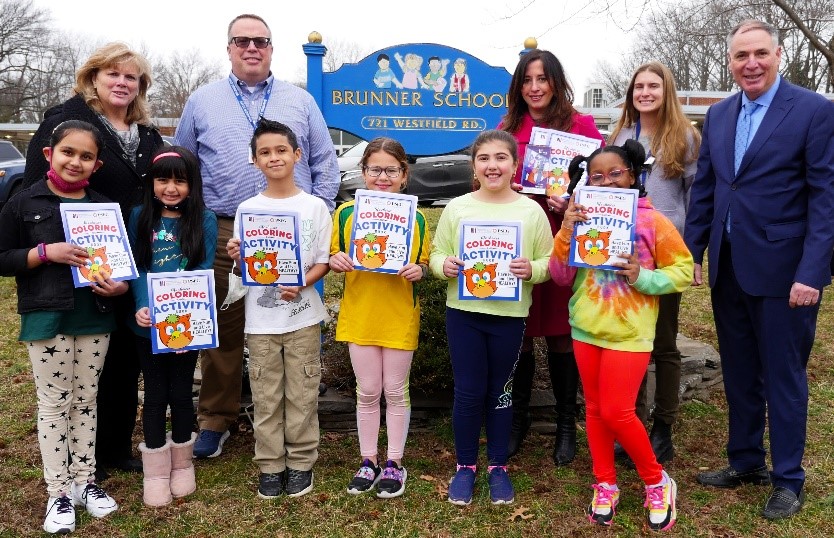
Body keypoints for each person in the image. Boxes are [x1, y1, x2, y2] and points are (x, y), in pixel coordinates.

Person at [685, 19, 834, 520]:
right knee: (741, 373)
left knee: (783, 377)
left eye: (760, 54)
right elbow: (707, 187)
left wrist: (812, 273)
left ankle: (788, 478)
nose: (750, 63)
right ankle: (745, 461)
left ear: (778, 55)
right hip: (730, 269)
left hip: (785, 274)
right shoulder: (720, 114)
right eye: (740, 56)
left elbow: (825, 200)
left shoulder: (814, 111)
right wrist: (694, 252)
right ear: (731, 62)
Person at [175, 13, 340, 459]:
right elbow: (184, 164)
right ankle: (216, 418)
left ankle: (297, 417)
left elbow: (325, 161)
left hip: (295, 231)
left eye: (261, 41)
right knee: (225, 328)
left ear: (271, 47)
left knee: (293, 316)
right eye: (242, 41)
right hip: (227, 227)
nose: (252, 48)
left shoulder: (300, 100)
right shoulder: (202, 100)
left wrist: (318, 213)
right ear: (228, 47)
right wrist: (192, 221)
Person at [22, 42, 164, 478]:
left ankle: (115, 449)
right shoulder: (66, 122)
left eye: (131, 77)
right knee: (80, 365)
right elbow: (35, 194)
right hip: (78, 261)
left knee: (123, 359)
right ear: (93, 77)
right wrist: (56, 253)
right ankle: (76, 459)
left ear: (140, 86)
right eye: (113, 74)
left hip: (131, 259)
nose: (122, 83)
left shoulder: (147, 134)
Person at [551, 140, 692, 531]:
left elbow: (683, 270)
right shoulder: (579, 219)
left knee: (617, 411)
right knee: (595, 410)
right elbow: (561, 275)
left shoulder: (652, 221)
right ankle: (605, 482)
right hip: (586, 326)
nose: (608, 182)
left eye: (616, 173)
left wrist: (642, 276)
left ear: (633, 176)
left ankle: (656, 480)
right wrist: (565, 230)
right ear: (586, 182)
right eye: (597, 176)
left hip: (630, 332)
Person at [0, 121, 124, 534]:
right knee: (54, 402)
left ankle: (85, 481)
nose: (76, 161)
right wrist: (43, 252)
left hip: (94, 313)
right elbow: (2, 257)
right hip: (46, 314)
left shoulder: (105, 208)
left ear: (96, 164)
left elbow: (121, 266)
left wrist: (120, 283)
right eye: (69, 152)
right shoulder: (23, 202)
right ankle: (58, 491)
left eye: (86, 156)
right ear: (50, 154)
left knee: (87, 399)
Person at [429, 130, 552, 506]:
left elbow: (550, 262)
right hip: (464, 313)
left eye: (501, 158)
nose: (492, 165)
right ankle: (466, 466)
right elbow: (437, 254)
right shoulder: (458, 207)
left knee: (501, 392)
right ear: (474, 166)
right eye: (484, 158)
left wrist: (530, 268)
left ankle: (498, 466)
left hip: (509, 316)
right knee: (467, 392)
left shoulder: (531, 211)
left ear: (515, 165)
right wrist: (443, 265)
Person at [499, 49, 605, 464]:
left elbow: (602, 183)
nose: (535, 87)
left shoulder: (581, 126)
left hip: (564, 241)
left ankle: (565, 422)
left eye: (542, 79)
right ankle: (519, 419)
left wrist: (575, 204)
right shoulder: (508, 127)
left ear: (556, 82)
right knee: (519, 328)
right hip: (520, 240)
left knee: (562, 331)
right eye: (527, 80)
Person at [226, 118, 332, 498]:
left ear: (296, 154)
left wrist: (302, 282)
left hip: (303, 317)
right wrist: (238, 258)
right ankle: (270, 464)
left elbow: (322, 260)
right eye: (265, 152)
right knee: (266, 395)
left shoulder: (315, 207)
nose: (274, 157)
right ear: (254, 160)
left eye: (281, 150)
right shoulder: (247, 209)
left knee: (302, 393)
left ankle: (302, 461)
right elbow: (244, 271)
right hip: (260, 321)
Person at [608, 62, 701, 464]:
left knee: (663, 342)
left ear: (667, 90)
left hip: (663, 250)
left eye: (653, 86)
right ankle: (631, 422)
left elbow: (696, 198)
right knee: (630, 341)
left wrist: (693, 253)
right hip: (620, 251)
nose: (645, 92)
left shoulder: (685, 137)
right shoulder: (617, 134)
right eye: (638, 86)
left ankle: (663, 427)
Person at [329, 137, 431, 498]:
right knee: (368, 391)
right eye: (376, 169)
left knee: (396, 391)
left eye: (391, 170)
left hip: (399, 315)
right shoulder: (344, 215)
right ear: (363, 172)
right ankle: (368, 460)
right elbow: (332, 257)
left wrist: (420, 269)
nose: (383, 176)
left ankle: (394, 463)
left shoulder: (416, 216)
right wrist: (336, 261)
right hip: (361, 316)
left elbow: (424, 260)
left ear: (404, 175)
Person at [128, 147, 218, 507]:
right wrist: (141, 306)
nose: (171, 187)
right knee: (155, 395)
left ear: (192, 185)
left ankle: (182, 463)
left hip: (187, 326)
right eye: (163, 179)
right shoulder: (139, 217)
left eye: (180, 180)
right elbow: (138, 268)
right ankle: (155, 469)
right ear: (152, 183)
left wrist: (190, 326)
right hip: (146, 325)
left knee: (181, 394)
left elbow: (203, 269)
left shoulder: (205, 220)